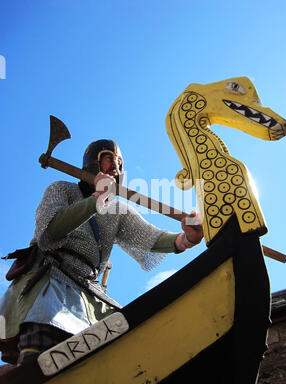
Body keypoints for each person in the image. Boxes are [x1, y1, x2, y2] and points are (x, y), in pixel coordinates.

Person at [0, 140, 203, 366]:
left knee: (123, 346)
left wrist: (186, 239)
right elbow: (49, 233)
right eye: (110, 159)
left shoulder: (117, 210)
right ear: (93, 162)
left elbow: (150, 238)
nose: (116, 167)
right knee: (38, 360)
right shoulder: (61, 189)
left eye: (120, 163)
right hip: (50, 281)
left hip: (89, 291)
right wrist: (96, 200)